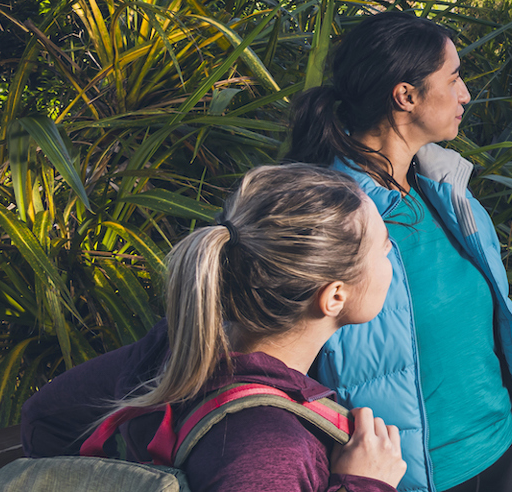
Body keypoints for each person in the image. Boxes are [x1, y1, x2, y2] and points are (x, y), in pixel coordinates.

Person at [285, 10, 512, 492]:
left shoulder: (445, 192)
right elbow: (277, 354)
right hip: (406, 477)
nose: (465, 93)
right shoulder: (326, 215)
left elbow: (498, 327)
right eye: (454, 77)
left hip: (501, 451)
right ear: (406, 95)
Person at [20, 164, 406, 491]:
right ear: (334, 296)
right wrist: (365, 483)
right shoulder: (269, 451)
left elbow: (45, 418)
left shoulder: (177, 347)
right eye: (384, 246)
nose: (391, 255)